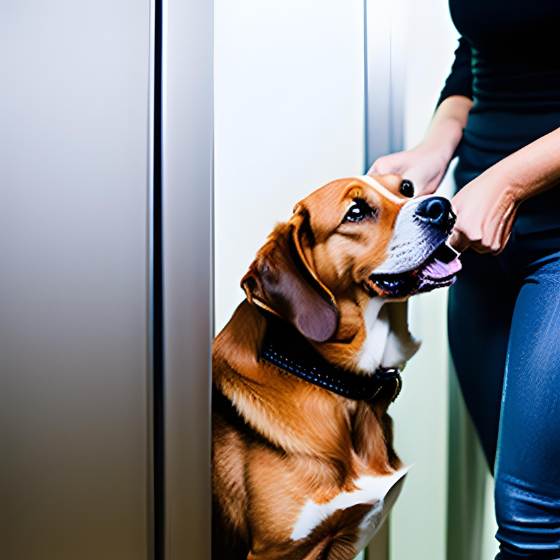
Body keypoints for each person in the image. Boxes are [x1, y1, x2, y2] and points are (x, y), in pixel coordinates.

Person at [368, 1, 560, 558]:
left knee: (532, 524)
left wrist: (508, 183)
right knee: (522, 490)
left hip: (544, 231)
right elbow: (475, 54)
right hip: (478, 243)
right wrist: (435, 148)